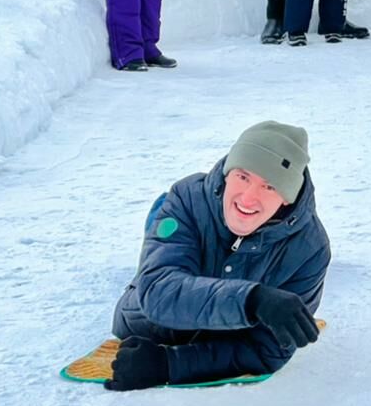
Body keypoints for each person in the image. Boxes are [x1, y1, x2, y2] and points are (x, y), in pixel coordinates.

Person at [105, 121, 330, 391]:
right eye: (243, 176)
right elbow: (158, 291)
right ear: (227, 174)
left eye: (269, 187)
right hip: (184, 233)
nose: (247, 198)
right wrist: (253, 300)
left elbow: (267, 351)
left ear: (287, 198)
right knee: (167, 226)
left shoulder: (310, 249)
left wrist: (169, 364)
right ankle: (160, 217)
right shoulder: (187, 198)